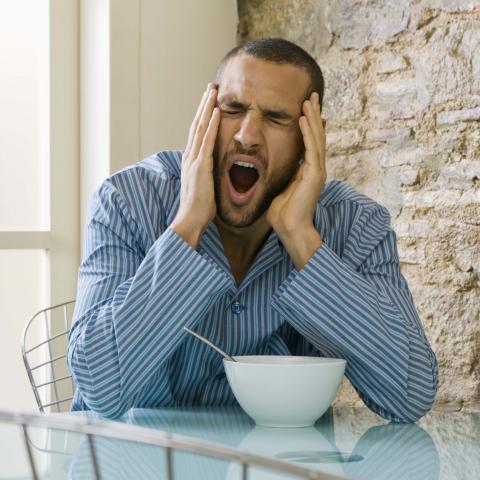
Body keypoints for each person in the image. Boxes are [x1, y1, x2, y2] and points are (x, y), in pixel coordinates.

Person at [68, 38, 438, 422]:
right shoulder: (127, 202)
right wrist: (188, 224)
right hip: (132, 464)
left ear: (309, 136)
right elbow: (100, 388)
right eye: (232, 109)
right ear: (206, 114)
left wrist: (302, 238)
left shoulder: (356, 225)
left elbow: (409, 396)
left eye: (276, 118)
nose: (246, 135)